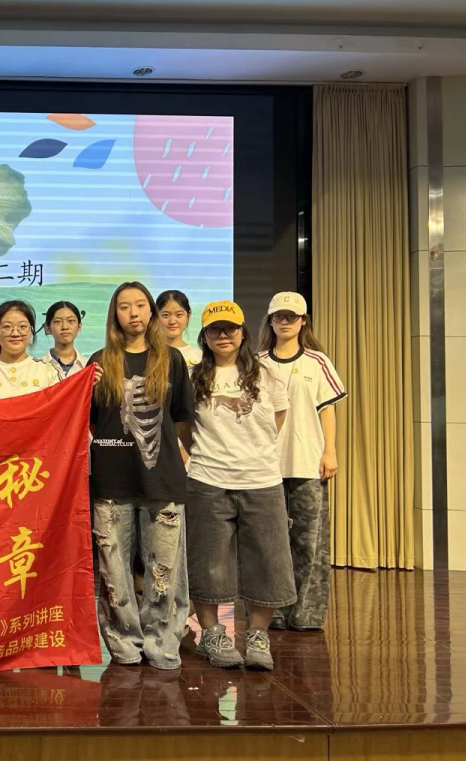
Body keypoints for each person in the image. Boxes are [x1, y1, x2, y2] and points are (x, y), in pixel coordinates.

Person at [181, 300, 295, 671]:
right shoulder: (193, 377)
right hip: (208, 480)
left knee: (268, 560)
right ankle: (212, 634)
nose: (223, 335)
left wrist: (252, 454)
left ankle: (257, 635)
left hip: (262, 481)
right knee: (208, 561)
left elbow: (278, 417)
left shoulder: (266, 373)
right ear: (204, 336)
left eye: (230, 328)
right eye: (215, 329)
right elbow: (184, 428)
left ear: (242, 332)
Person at [87, 282, 193, 670]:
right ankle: (123, 642)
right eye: (124, 306)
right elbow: (93, 422)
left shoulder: (172, 360)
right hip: (111, 480)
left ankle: (162, 640)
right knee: (113, 571)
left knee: (164, 570)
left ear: (150, 311)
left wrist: (169, 458)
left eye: (140, 305)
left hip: (162, 481)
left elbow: (181, 418)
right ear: (114, 314)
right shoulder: (99, 362)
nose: (133, 312)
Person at [259, 291, 346, 631]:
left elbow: (328, 410)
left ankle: (306, 615)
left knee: (309, 543)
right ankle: (274, 612)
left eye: (291, 317)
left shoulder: (317, 361)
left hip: (308, 463)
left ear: (303, 322)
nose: (285, 322)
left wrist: (330, 451)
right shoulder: (257, 363)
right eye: (278, 316)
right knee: (270, 544)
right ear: (270, 321)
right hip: (265, 467)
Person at [0, 301, 61, 398]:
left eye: (22, 326)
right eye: (7, 327)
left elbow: (59, 406)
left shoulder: (48, 371)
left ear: (31, 330)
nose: (15, 333)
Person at [156, 290, 203, 370]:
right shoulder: (148, 354)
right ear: (156, 317)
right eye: (166, 315)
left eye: (179, 315)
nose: (172, 321)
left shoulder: (199, 357)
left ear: (188, 316)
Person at [41, 301, 88, 377]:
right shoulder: (37, 366)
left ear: (79, 326)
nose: (65, 327)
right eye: (57, 321)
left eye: (71, 321)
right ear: (48, 328)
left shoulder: (88, 366)